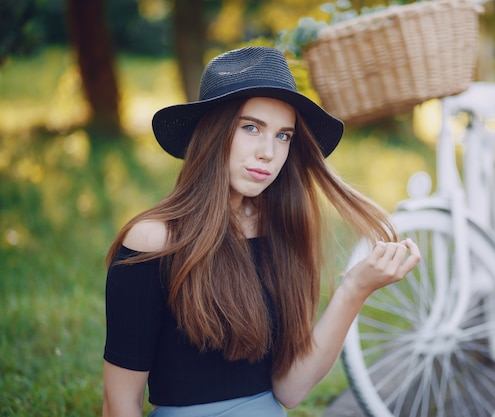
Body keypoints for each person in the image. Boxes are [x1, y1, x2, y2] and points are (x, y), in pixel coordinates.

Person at [102, 46, 420, 417]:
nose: (268, 152)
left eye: (283, 136)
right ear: (213, 131)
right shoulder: (152, 242)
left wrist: (355, 290)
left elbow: (290, 388)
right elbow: (118, 404)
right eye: (251, 128)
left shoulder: (280, 231)